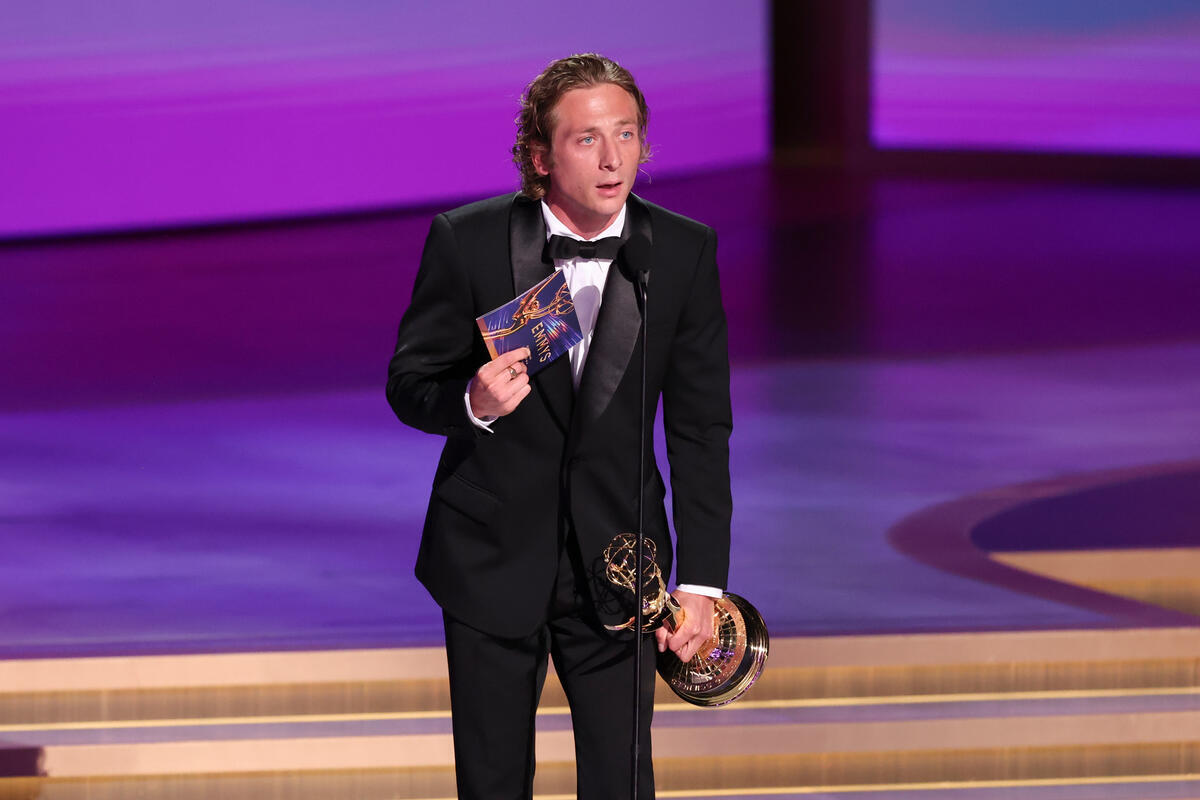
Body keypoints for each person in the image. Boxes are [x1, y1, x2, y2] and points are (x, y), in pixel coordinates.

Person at [386, 53, 732, 800]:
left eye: (628, 134)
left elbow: (702, 428)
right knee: (493, 783)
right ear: (539, 156)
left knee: (621, 782)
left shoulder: (681, 251)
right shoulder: (468, 240)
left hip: (621, 568)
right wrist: (471, 403)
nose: (614, 160)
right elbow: (409, 385)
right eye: (587, 139)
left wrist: (702, 581)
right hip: (489, 558)